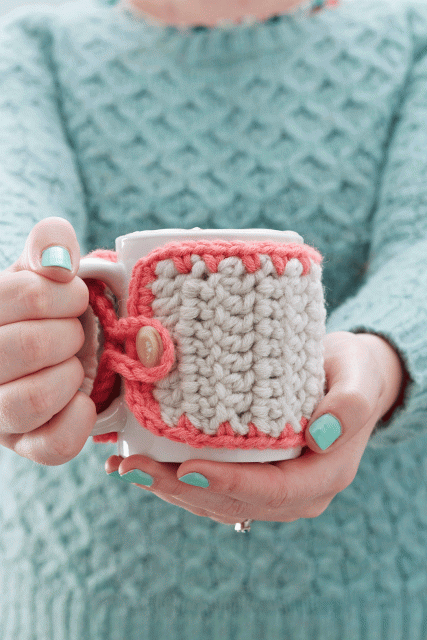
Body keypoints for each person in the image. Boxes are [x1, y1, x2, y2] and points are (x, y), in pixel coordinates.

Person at [0, 0, 427, 637]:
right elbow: (16, 212)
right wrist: (30, 319)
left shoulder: (410, 37)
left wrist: (383, 353)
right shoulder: (31, 43)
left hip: (371, 600)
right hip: (78, 600)